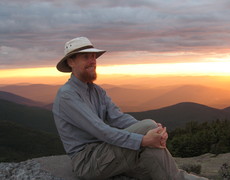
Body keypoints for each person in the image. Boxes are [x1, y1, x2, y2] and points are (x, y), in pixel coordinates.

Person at [52, 37, 208, 180]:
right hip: (88, 161)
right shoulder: (68, 96)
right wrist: (144, 138)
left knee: (153, 154)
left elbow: (119, 118)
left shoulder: (97, 91)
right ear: (71, 62)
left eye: (93, 57)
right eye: (86, 57)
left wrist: (151, 133)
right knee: (148, 129)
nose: (92, 61)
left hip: (106, 155)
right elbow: (101, 130)